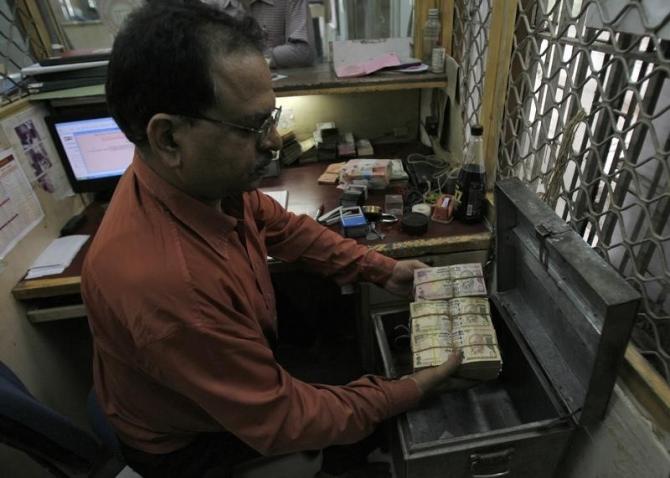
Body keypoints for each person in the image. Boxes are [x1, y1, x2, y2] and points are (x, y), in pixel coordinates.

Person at [82, 2, 461, 477]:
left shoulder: (196, 184)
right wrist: (412, 387)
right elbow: (287, 419)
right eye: (253, 126)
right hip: (190, 445)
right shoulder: (169, 286)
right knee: (375, 421)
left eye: (272, 116)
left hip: (219, 383)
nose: (276, 140)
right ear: (169, 138)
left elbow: (282, 227)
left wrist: (384, 269)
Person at [204, 0, 316, 68]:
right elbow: (204, 57)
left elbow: (303, 52)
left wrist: (237, 59)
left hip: (278, 93)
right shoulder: (209, 5)